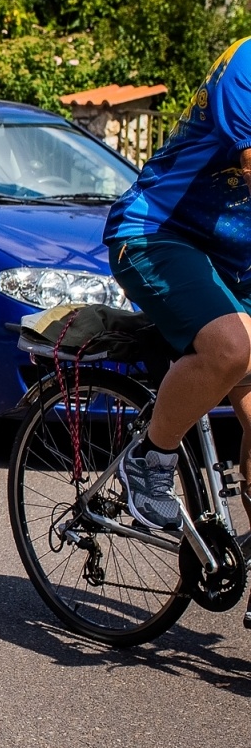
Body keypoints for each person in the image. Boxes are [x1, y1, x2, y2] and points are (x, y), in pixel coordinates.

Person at [107, 37, 251, 553]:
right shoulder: (247, 64)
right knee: (234, 347)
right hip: (159, 232)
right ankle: (151, 458)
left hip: (238, 260)